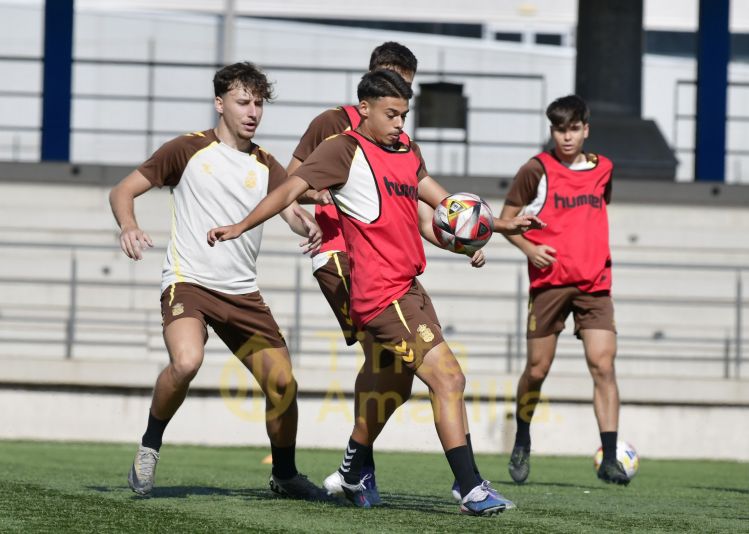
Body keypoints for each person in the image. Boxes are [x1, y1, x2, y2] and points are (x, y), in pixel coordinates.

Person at [208, 70, 540, 515]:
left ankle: (351, 469)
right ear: (364, 108)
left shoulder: (407, 151)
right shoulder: (343, 150)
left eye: (404, 114)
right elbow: (287, 188)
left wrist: (484, 232)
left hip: (411, 287)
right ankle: (469, 486)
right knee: (449, 378)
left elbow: (445, 209)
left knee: (394, 386)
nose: (400, 123)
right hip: (383, 295)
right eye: (391, 114)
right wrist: (240, 226)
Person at [109, 61, 328, 499]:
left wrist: (308, 224)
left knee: (283, 385)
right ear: (219, 103)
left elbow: (291, 213)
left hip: (242, 294)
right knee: (187, 361)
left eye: (259, 103)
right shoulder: (186, 149)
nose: (252, 111)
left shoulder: (268, 165)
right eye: (243, 101)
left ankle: (284, 475)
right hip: (189, 282)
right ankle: (150, 445)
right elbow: (122, 190)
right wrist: (128, 225)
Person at [285, 42, 418, 504]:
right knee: (382, 356)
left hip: (384, 258)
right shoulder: (331, 123)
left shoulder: (399, 138)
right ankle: (360, 470)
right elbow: (292, 181)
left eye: (405, 88)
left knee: (395, 368)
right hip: (339, 252)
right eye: (389, 81)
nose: (397, 98)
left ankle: (356, 463)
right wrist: (312, 201)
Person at [500, 94, 629, 486]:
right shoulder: (535, 170)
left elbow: (593, 214)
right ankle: (522, 437)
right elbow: (506, 220)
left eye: (573, 128)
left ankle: (609, 457)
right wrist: (529, 247)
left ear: (586, 129)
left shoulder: (604, 168)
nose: (567, 137)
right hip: (549, 284)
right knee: (538, 370)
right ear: (551, 130)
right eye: (559, 129)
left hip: (595, 284)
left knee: (602, 364)